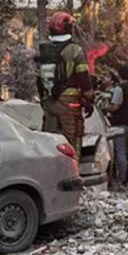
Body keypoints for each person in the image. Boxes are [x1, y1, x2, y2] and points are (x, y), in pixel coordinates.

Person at [35, 12, 92, 163]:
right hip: (69, 103)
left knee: (50, 140)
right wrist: (89, 99)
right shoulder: (75, 50)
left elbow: (38, 80)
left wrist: (44, 100)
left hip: (49, 102)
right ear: (69, 29)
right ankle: (73, 172)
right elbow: (84, 77)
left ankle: (52, 172)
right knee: (72, 138)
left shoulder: (44, 51)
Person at [104, 65, 128, 187]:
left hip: (121, 125)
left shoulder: (119, 89)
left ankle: (122, 178)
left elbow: (115, 106)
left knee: (120, 151)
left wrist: (105, 108)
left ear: (119, 75)